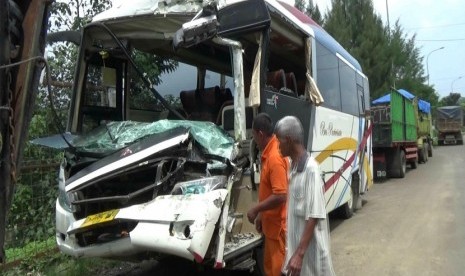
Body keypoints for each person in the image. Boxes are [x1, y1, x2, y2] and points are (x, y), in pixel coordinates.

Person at [274, 116, 335, 276]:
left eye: (279, 140)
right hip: (297, 260)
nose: (277, 145)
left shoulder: (311, 169)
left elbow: (314, 215)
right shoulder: (293, 168)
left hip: (312, 260)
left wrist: (299, 254)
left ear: (288, 140)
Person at [247, 113, 289, 276]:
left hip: (278, 231)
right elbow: (269, 192)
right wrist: (261, 217)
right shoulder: (269, 152)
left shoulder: (274, 157)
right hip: (271, 228)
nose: (254, 141)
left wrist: (256, 209)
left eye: (254, 136)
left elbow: (280, 195)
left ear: (260, 134)